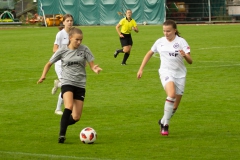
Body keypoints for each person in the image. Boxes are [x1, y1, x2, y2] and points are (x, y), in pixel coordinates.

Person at [37, 27, 102, 143]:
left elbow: (92, 65)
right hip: (67, 82)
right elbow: (49, 63)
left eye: (81, 40)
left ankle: (63, 122)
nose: (79, 42)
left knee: (76, 117)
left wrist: (95, 69)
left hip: (80, 84)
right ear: (70, 38)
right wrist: (43, 75)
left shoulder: (85, 49)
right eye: (77, 39)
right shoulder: (62, 50)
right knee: (69, 106)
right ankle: (62, 135)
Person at [137, 20, 192, 136]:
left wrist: (185, 55)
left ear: (174, 30)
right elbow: (149, 53)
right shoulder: (160, 42)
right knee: (171, 94)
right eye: (164, 31)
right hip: (166, 72)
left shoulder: (181, 42)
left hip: (180, 74)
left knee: (175, 106)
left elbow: (190, 61)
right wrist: (141, 68)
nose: (166, 33)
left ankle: (162, 120)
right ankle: (165, 124)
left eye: (168, 31)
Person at [51, 14, 74, 115]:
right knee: (67, 86)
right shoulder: (60, 34)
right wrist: (63, 54)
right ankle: (58, 108)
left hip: (70, 64)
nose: (69, 22)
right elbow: (54, 49)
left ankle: (58, 84)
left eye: (71, 21)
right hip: (60, 64)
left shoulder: (74, 33)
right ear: (63, 22)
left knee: (70, 84)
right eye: (67, 21)